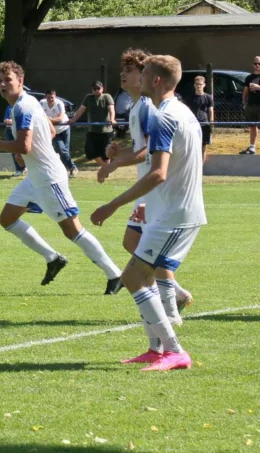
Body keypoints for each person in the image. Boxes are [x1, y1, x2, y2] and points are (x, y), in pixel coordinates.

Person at [91, 55, 206, 371]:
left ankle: (174, 351)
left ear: (155, 80)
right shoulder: (179, 112)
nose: (136, 79)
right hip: (169, 210)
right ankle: (156, 349)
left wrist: (112, 205)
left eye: (143, 75)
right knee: (142, 275)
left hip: (175, 213)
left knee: (133, 276)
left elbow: (158, 173)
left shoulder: (163, 116)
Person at [0, 62, 123, 294]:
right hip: (36, 178)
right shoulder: (29, 103)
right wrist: (29, 153)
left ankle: (115, 274)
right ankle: (52, 258)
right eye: (0, 81)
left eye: (8, 80)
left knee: (73, 231)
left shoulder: (22, 108)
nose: (3, 85)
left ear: (20, 80)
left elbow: (24, 145)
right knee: (7, 219)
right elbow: (48, 131)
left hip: (49, 178)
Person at [97, 48, 193, 324]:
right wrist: (120, 151)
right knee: (134, 242)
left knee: (146, 248)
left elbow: (150, 153)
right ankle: (174, 295)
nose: (123, 75)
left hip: (156, 192)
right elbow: (142, 149)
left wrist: (116, 163)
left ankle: (171, 307)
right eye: (122, 70)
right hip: (150, 191)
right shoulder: (138, 106)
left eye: (130, 70)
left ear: (146, 77)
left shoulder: (151, 109)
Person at [69, 81, 115, 166]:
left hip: (106, 130)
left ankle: (106, 168)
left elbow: (111, 109)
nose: (96, 90)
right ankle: (105, 167)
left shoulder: (107, 97)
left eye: (98, 88)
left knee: (106, 153)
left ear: (102, 88)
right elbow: (81, 110)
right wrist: (73, 120)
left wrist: (112, 119)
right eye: (94, 89)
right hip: (93, 130)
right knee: (90, 150)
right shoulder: (88, 98)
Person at [42, 90, 77, 177]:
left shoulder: (59, 103)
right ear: (45, 97)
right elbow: (39, 117)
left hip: (64, 128)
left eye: (52, 97)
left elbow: (60, 118)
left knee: (65, 151)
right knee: (61, 149)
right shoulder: (42, 103)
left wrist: (49, 120)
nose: (51, 99)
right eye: (49, 97)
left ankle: (65, 171)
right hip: (54, 131)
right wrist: (49, 121)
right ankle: (73, 167)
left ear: (55, 96)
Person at [187, 76, 214, 162]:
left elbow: (211, 111)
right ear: (194, 85)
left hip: (204, 124)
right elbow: (186, 110)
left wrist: (211, 123)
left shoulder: (208, 97)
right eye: (197, 84)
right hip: (192, 124)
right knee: (193, 146)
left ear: (204, 85)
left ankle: (201, 168)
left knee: (203, 146)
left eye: (200, 84)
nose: (199, 86)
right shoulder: (190, 97)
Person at [241, 55, 260, 154]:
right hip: (251, 106)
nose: (257, 65)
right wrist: (244, 103)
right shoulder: (249, 77)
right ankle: (252, 147)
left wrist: (258, 87)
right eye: (255, 63)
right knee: (253, 126)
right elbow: (245, 91)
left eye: (259, 64)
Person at [3, 103, 27, 178]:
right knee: (13, 151)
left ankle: (24, 167)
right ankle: (19, 169)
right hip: (9, 130)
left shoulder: (21, 107)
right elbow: (5, 119)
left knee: (20, 150)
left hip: (18, 131)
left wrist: (13, 121)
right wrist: (6, 120)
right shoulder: (9, 107)